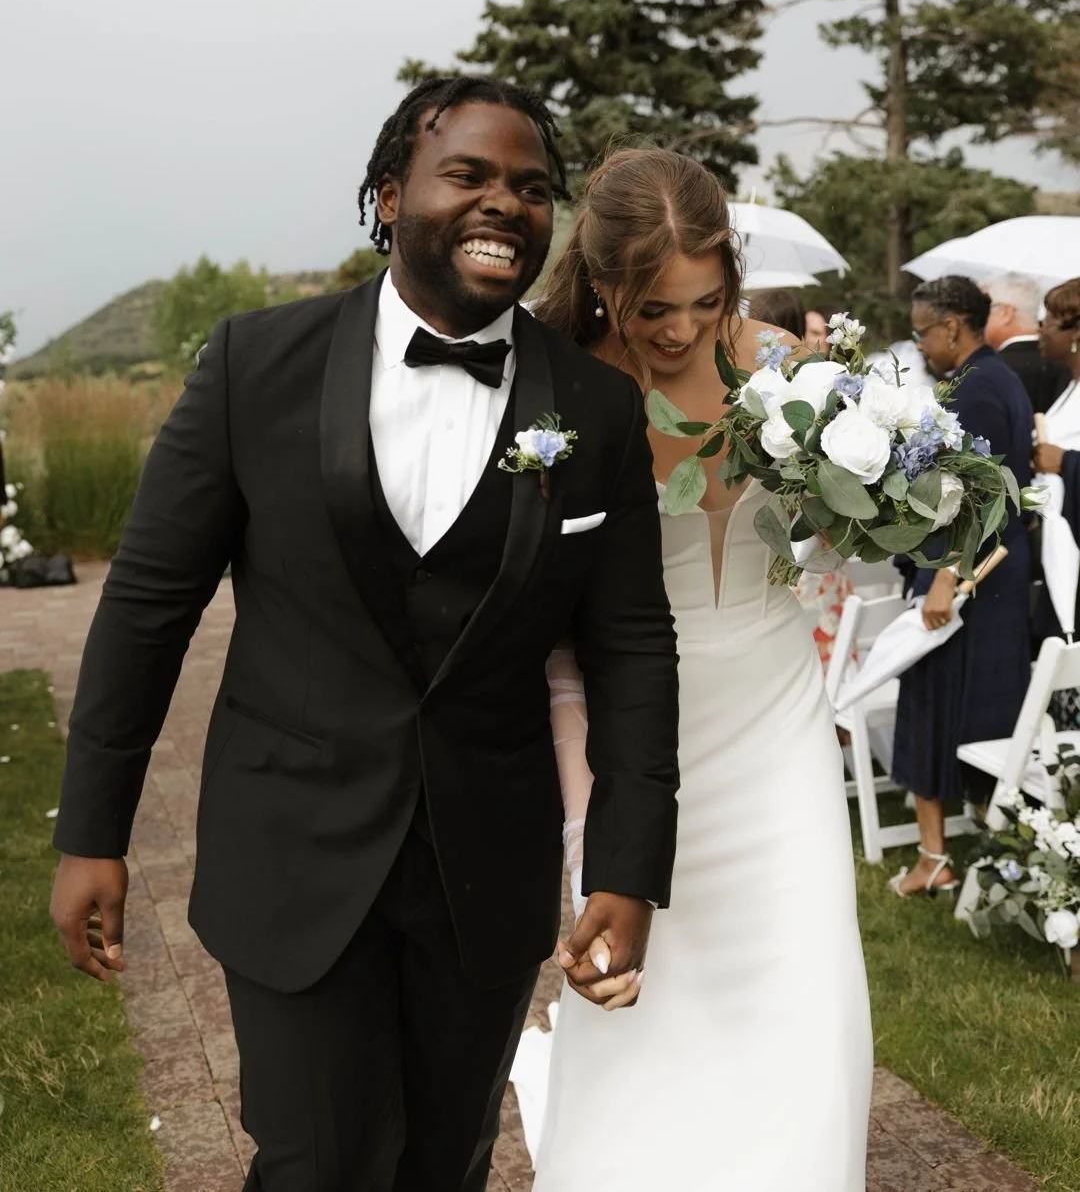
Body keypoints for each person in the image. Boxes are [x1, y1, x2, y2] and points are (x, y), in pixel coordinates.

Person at [47, 78, 681, 1192]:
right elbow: (148, 605)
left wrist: (627, 865)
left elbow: (632, 650)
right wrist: (91, 832)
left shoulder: (596, 409)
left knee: (447, 1163)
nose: (507, 206)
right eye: (471, 176)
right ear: (390, 198)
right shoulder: (255, 367)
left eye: (533, 189)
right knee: (319, 1164)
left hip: (484, 867)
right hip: (290, 850)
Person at [530, 147, 873, 1190]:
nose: (680, 330)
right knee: (645, 1031)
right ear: (601, 287)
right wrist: (591, 835)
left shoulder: (788, 374)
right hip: (641, 749)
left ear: (731, 274)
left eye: (703, 300)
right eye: (649, 309)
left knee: (814, 1013)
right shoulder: (564, 403)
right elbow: (558, 657)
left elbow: (848, 551)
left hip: (777, 732)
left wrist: (891, 496)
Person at [890, 277, 1033, 898]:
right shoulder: (1001, 377)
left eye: (922, 330)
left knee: (930, 706)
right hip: (998, 573)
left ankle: (934, 858)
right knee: (982, 710)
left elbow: (980, 496)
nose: (919, 343)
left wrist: (946, 577)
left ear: (952, 326)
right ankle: (984, 842)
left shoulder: (975, 389)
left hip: (970, 571)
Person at [1031, 278, 1080, 723]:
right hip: (1060, 556)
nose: (1041, 330)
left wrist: (1065, 462)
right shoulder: (1068, 387)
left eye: (1049, 321)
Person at [984, 271, 1070, 414]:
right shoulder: (1068, 362)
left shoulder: (991, 369)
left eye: (982, 310)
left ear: (1005, 313)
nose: (974, 320)